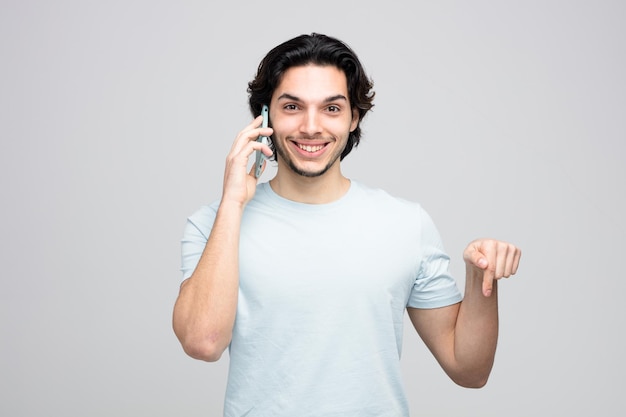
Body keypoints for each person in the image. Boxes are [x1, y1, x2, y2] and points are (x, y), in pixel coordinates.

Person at [173, 33, 521, 416]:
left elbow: (469, 370)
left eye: (332, 109)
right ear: (264, 115)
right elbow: (203, 342)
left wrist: (480, 278)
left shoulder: (405, 224)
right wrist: (233, 202)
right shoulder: (214, 223)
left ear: (354, 117)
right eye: (292, 106)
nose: (311, 126)